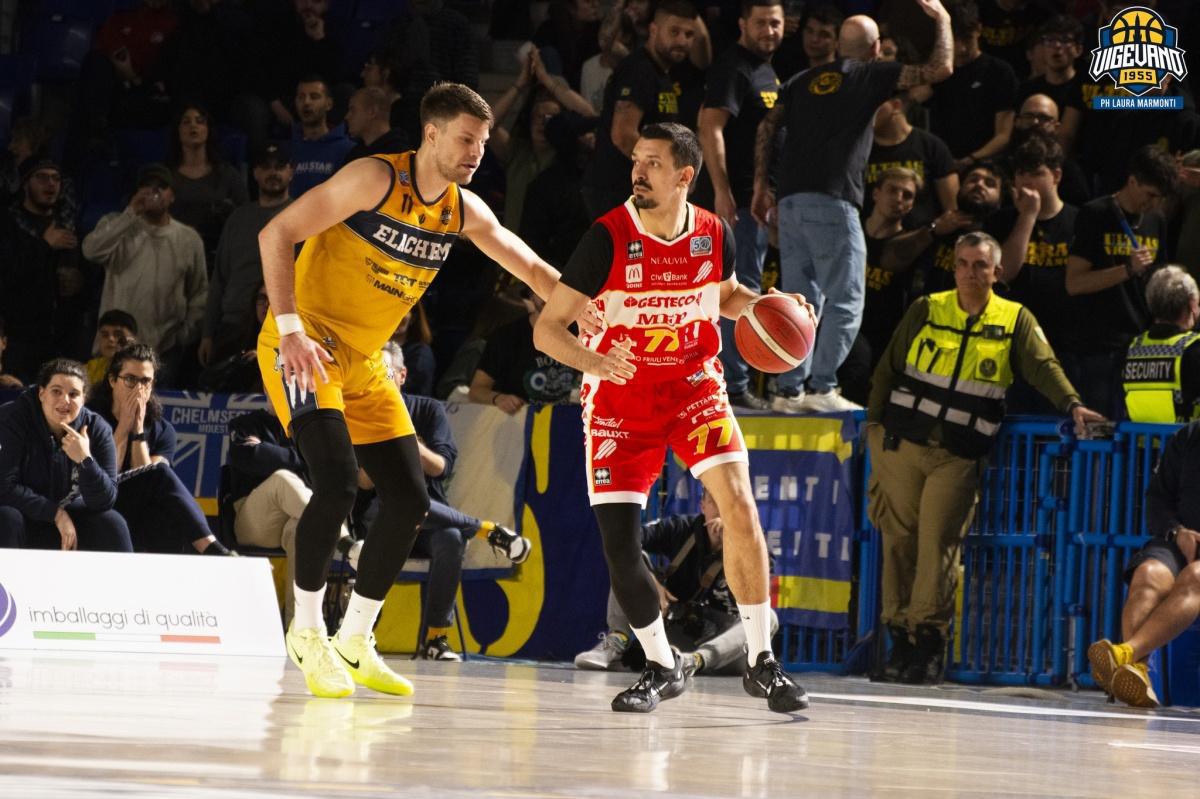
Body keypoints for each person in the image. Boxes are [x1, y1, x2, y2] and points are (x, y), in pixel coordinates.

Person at [257, 82, 575, 699]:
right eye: (466, 139)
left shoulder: (463, 210)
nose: (477, 153)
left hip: (366, 360)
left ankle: (355, 639)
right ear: (431, 134)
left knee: (409, 499)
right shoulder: (373, 179)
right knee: (338, 482)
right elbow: (277, 233)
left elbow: (535, 270)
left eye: (483, 142)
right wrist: (290, 329)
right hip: (305, 344)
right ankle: (307, 630)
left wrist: (597, 312)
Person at [533, 122, 810, 714]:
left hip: (692, 388)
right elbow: (547, 328)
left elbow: (726, 297)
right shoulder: (607, 237)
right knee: (621, 545)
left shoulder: (713, 233)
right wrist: (595, 361)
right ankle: (662, 665)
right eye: (636, 160)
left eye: (653, 163)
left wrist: (772, 309)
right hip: (620, 399)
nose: (638, 171)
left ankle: (762, 661)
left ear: (685, 175)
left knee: (739, 506)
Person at [866, 232, 1103, 685]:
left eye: (979, 264)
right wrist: (873, 428)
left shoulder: (1014, 319)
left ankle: (928, 643)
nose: (970, 272)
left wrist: (1072, 404)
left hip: (957, 453)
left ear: (998, 272)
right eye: (962, 263)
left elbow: (1043, 367)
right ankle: (898, 640)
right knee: (897, 542)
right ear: (953, 267)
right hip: (901, 443)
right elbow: (887, 368)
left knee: (938, 546)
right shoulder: (927, 309)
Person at [752, 0, 953, 413]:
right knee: (846, 298)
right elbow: (940, 69)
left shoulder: (801, 79)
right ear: (875, 48)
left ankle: (788, 391)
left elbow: (767, 126)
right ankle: (822, 386)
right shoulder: (870, 74)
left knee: (799, 301)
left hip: (790, 202)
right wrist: (943, 19)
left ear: (840, 45)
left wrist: (760, 186)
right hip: (832, 202)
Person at [369, 343, 531, 660]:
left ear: (402, 375)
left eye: (385, 373)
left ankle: (436, 638)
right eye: (372, 374)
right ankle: (486, 529)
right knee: (401, 502)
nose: (378, 380)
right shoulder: (360, 413)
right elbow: (363, 481)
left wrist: (404, 440)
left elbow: (441, 467)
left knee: (452, 538)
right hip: (378, 520)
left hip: (430, 520)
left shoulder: (428, 410)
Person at [574, 487, 778, 677]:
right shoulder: (681, 528)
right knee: (626, 562)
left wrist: (734, 541)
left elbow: (762, 576)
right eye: (714, 502)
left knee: (768, 617)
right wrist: (651, 581)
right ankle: (618, 640)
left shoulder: (751, 540)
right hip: (676, 627)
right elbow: (626, 543)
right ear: (703, 506)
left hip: (725, 644)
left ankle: (693, 662)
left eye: (727, 502)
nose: (720, 509)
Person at [699, 0, 784, 412]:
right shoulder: (734, 66)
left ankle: (731, 381)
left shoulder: (767, 69)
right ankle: (732, 384)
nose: (769, 30)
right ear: (742, 24)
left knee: (743, 283)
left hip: (756, 200)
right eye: (761, 23)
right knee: (736, 288)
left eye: (776, 23)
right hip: (733, 203)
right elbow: (709, 127)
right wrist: (722, 191)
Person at [1088, 422, 1200, 708]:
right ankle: (1138, 677)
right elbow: (1157, 500)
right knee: (1148, 573)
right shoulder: (1187, 437)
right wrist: (1177, 532)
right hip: (1182, 541)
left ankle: (1126, 653)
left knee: (1195, 576)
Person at [87, 344, 231, 555]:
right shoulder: (91, 420)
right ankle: (210, 548)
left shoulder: (163, 429)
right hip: (100, 498)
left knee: (164, 499)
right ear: (112, 380)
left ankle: (210, 552)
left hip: (139, 507)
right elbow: (105, 476)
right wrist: (124, 426)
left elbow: (148, 480)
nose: (138, 389)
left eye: (145, 381)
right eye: (130, 379)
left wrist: (137, 430)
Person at [1065, 145, 1176, 418]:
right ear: (1132, 181)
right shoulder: (1095, 214)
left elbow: (1157, 278)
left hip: (1142, 346)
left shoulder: (1156, 219)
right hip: (1099, 346)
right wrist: (1127, 269)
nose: (1153, 204)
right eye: (1149, 194)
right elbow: (1074, 283)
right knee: (1098, 427)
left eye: (1159, 198)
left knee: (1137, 426)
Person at [228, 402, 359, 624]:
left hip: (293, 518)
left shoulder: (305, 428)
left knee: (304, 531)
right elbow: (252, 458)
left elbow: (321, 468)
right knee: (282, 479)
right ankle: (346, 543)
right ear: (268, 389)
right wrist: (301, 457)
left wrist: (271, 452)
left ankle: (298, 628)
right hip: (255, 522)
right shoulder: (244, 423)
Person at [83, 163, 208, 388]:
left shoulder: (189, 238)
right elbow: (91, 251)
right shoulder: (117, 225)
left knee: (154, 408)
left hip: (163, 351)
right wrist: (131, 213)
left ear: (172, 196)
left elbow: (199, 292)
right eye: (147, 186)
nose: (154, 192)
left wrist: (183, 335)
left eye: (161, 187)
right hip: (114, 349)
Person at [581, 0, 699, 218]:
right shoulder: (639, 70)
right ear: (653, 30)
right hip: (617, 191)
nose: (682, 40)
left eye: (689, 34)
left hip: (635, 191)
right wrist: (665, 173)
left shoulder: (661, 73)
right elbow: (623, 135)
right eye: (674, 32)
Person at [0, 359, 132, 552]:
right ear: (41, 393)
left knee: (112, 522)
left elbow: (105, 500)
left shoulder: (97, 429)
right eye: (56, 391)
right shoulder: (11, 419)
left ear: (84, 398)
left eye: (73, 394)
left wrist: (86, 460)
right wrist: (55, 513)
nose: (65, 401)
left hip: (71, 516)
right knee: (6, 517)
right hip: (25, 511)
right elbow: (3, 486)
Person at [992, 132, 1080, 411]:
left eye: (1036, 173)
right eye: (1021, 174)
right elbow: (1003, 273)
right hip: (1015, 344)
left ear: (1056, 176)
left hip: (1066, 344)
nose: (1026, 182)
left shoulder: (1079, 221)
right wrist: (1028, 216)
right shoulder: (1002, 220)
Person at [200, 144, 294, 369]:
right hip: (233, 325)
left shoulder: (302, 215)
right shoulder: (238, 218)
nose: (273, 173)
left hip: (282, 327)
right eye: (266, 167)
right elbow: (219, 279)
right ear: (255, 173)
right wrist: (207, 334)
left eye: (279, 166)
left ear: (291, 171)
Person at [2, 157, 93, 378]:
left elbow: (88, 277)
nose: (50, 184)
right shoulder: (8, 224)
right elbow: (7, 275)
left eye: (55, 178)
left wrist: (80, 282)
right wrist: (44, 246)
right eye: (42, 177)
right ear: (25, 183)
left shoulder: (68, 225)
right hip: (19, 337)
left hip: (61, 338)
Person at [916, 1, 1018, 171]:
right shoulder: (937, 74)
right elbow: (913, 104)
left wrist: (969, 160)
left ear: (979, 29)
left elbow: (1003, 135)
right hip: (941, 167)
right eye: (955, 40)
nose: (962, 49)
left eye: (967, 39)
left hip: (984, 166)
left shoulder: (999, 72)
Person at [167, 102, 249, 267]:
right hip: (173, 255)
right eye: (186, 122)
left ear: (208, 130)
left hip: (218, 256)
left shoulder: (227, 174)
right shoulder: (166, 176)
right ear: (178, 131)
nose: (193, 126)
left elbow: (245, 216)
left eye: (200, 121)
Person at [469, 295, 579, 411]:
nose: (547, 295)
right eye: (539, 289)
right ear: (531, 296)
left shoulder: (581, 331)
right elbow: (476, 391)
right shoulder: (507, 337)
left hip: (572, 415)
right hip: (519, 417)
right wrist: (498, 398)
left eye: (554, 290)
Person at [865, 93, 957, 229]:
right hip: (869, 237)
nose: (864, 112)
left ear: (895, 106)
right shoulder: (859, 150)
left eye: (872, 106)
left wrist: (933, 231)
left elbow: (951, 209)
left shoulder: (931, 146)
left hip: (921, 236)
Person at [1122, 267, 1200, 424]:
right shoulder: (1194, 349)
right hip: (1186, 439)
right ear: (1192, 304)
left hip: (1140, 439)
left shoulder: (1131, 349)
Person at [289, 76, 354, 198]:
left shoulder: (347, 149)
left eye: (314, 97)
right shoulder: (287, 147)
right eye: (301, 97)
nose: (306, 102)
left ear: (329, 104)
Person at [771, 2, 841, 82]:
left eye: (823, 34)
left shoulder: (844, 79)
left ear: (837, 42)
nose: (814, 39)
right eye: (809, 31)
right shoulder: (792, 78)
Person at [342, 87, 412, 164]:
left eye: (353, 110)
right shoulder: (354, 154)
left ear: (372, 112)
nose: (347, 116)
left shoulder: (400, 155)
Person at [388, 304, 436, 398]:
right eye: (390, 310)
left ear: (413, 317)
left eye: (402, 310)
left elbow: (414, 394)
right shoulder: (370, 346)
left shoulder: (421, 354)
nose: (395, 315)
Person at [86, 310, 139, 386]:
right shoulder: (90, 368)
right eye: (105, 335)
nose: (110, 339)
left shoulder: (143, 371)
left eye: (118, 334)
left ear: (134, 339)